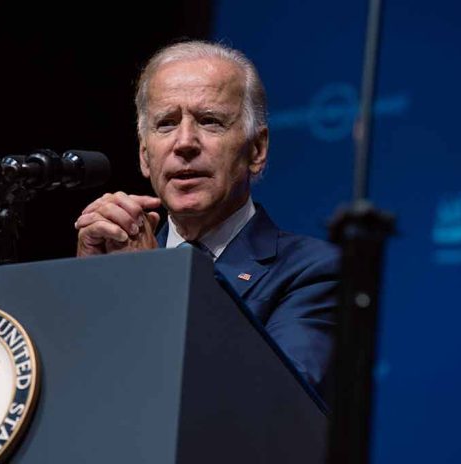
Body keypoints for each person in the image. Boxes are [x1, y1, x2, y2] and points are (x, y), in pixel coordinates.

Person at [74, 40, 339, 405]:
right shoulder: (112, 261)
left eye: (210, 121)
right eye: (166, 124)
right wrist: (81, 290)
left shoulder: (314, 272)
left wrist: (153, 280)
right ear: (144, 156)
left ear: (256, 150)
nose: (184, 143)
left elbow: (274, 405)